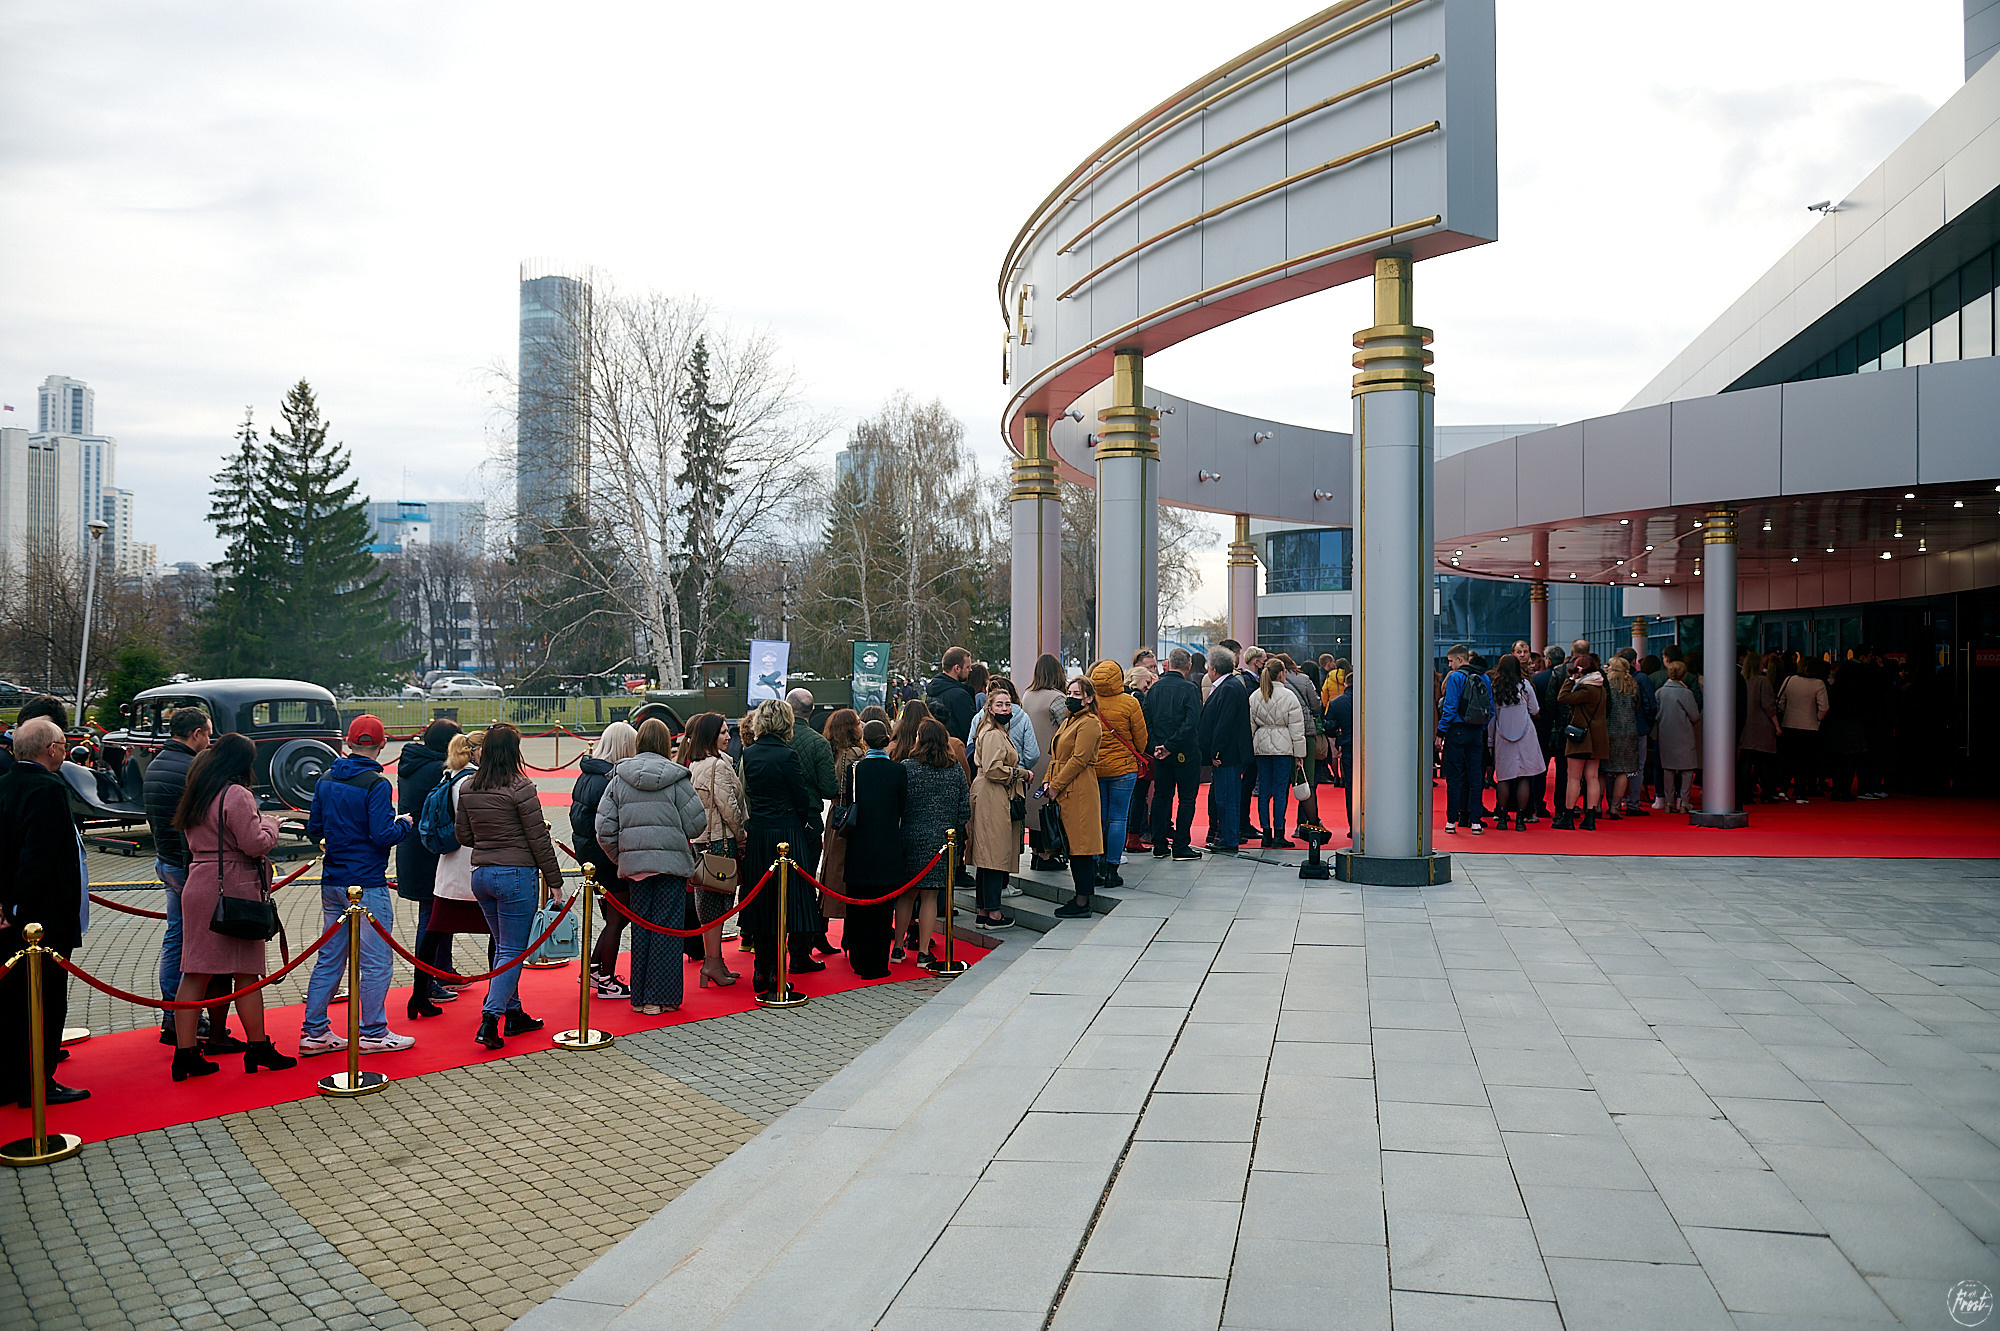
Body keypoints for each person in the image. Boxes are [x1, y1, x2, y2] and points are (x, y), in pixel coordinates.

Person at [167, 734, 298, 1080]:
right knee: (246, 972)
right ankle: (258, 1046)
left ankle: (185, 1053)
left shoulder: (199, 790)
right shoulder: (236, 793)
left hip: (199, 880)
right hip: (233, 885)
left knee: (194, 971)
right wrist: (271, 825)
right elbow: (254, 843)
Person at [300, 715, 414, 1058]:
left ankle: (315, 1031)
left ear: (348, 743)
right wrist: (404, 825)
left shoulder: (326, 778)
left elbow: (314, 829)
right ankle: (373, 1032)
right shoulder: (376, 784)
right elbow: (382, 834)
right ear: (382, 745)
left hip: (333, 879)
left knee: (330, 958)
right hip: (367, 881)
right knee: (376, 961)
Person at [453, 722, 561, 1049]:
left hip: (481, 874)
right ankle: (491, 1018)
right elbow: (539, 839)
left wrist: (489, 841)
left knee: (504, 948)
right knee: (512, 951)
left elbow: (463, 835)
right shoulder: (521, 787)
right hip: (515, 874)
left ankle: (514, 1013)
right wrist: (555, 882)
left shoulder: (469, 786)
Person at [0, 717, 90, 1107]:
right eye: (62, 744)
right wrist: (19, 905)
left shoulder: (5, 783)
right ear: (51, 749)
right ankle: (39, 1081)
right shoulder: (48, 789)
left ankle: (11, 1078)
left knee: (12, 1001)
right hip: (41, 916)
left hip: (11, 911)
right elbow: (38, 854)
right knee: (46, 999)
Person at [596, 718, 707, 1014]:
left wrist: (623, 857)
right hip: (671, 866)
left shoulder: (619, 778)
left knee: (641, 930)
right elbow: (697, 824)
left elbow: (604, 829)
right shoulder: (678, 778)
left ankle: (640, 998)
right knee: (667, 931)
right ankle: (662, 997)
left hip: (636, 868)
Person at [142, 706, 226, 1047]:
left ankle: (172, 1014)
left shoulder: (157, 763)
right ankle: (186, 1017)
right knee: (195, 946)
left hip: (166, 860)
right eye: (208, 734)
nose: (209, 741)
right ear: (196, 734)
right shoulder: (190, 768)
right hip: (187, 865)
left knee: (176, 938)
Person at [739, 700, 823, 996]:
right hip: (786, 831)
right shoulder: (788, 755)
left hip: (760, 832)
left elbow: (747, 793)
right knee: (785, 903)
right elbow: (801, 798)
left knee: (762, 903)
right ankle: (776, 972)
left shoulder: (748, 753)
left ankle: (761, 970)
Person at [398, 717, 463, 1018]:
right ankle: (428, 981)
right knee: (432, 916)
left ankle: (442, 970)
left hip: (414, 848)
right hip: (432, 849)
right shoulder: (439, 770)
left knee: (438, 912)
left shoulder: (412, 763)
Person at [572, 721, 637, 1001]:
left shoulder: (587, 775)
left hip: (590, 856)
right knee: (617, 919)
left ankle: (594, 968)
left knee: (615, 918)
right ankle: (606, 979)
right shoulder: (609, 779)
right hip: (607, 857)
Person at [679, 713, 744, 990]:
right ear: (710, 736)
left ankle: (715, 962)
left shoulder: (697, 764)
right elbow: (730, 808)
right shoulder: (717, 765)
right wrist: (742, 837)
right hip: (719, 842)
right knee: (715, 907)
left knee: (710, 907)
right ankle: (712, 964)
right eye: (723, 732)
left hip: (704, 842)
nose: (729, 736)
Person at [898, 718, 970, 965]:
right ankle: (923, 951)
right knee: (930, 897)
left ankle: (897, 948)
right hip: (942, 839)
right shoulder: (954, 769)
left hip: (911, 835)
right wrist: (954, 829)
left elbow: (899, 803)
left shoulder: (907, 767)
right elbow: (964, 808)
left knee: (907, 894)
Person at [842, 719, 908, 978]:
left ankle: (858, 959)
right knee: (882, 911)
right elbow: (902, 807)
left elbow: (848, 802)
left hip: (858, 845)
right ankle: (878, 963)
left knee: (858, 906)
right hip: (887, 845)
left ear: (864, 741)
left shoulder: (855, 770)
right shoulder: (898, 771)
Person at [1045, 679, 1105, 917]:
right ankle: (1080, 897)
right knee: (1073, 845)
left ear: (1089, 698)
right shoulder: (1070, 719)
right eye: (1069, 692)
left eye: (1077, 693)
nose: (1070, 697)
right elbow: (1056, 755)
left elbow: (1079, 759)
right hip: (1065, 788)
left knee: (1081, 846)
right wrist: (1047, 781)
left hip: (1079, 790)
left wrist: (1055, 785)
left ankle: (1082, 901)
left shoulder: (1089, 722)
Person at [785, 688, 838, 955]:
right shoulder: (818, 743)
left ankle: (774, 947)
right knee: (805, 884)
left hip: (777, 820)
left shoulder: (774, 741)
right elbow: (830, 788)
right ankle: (800, 948)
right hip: (808, 820)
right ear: (812, 711)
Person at [968, 692, 1027, 931]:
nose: (1004, 709)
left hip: (992, 794)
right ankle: (993, 913)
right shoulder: (993, 734)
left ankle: (984, 911)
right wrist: (1021, 773)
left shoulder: (996, 731)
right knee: (993, 854)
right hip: (992, 796)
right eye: (999, 704)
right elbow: (993, 769)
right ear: (990, 708)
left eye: (1007, 704)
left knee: (987, 855)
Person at [1087, 659, 1147, 888]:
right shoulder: (1130, 703)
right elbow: (1141, 740)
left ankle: (1095, 865)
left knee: (1098, 817)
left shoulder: (1090, 702)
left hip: (1095, 768)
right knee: (1119, 818)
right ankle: (1112, 869)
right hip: (1123, 768)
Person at [1144, 648, 1203, 860]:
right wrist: (1170, 745)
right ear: (1189, 666)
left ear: (1168, 663)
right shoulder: (1190, 689)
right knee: (1186, 799)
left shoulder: (1154, 688)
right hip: (1185, 751)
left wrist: (1156, 746)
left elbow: (1146, 720)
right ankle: (1180, 845)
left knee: (1161, 796)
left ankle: (1159, 843)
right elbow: (1191, 722)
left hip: (1160, 752)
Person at [1196, 647, 1253, 855]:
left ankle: (1229, 839)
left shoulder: (1228, 688)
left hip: (1227, 755)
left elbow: (1224, 724)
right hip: (1230, 753)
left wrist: (1217, 753)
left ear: (1214, 669)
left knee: (1226, 797)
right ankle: (1228, 837)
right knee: (1227, 796)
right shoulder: (1230, 685)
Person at [816, 708, 865, 940]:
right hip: (851, 816)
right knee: (845, 872)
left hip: (836, 815)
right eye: (857, 722)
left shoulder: (832, 751)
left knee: (831, 870)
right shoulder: (854, 754)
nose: (861, 725)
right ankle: (847, 932)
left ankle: (820, 927)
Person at [1248, 659, 1306, 847]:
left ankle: (1266, 833)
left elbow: (1251, 725)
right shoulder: (1289, 696)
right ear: (1281, 673)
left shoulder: (1255, 696)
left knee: (1264, 791)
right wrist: (1299, 754)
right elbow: (1297, 729)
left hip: (1261, 745)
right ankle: (1279, 833)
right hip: (1283, 747)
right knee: (1280, 791)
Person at [1484, 654, 1542, 830]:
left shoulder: (1495, 688)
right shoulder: (1525, 686)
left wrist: (1490, 741)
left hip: (1503, 736)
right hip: (1525, 735)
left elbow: (1492, 717)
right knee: (1524, 777)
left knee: (1504, 778)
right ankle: (1520, 819)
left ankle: (1502, 818)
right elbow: (1535, 710)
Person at [1437, 644, 1490, 834]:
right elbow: (1490, 708)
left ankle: (1452, 820)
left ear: (1460, 659)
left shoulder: (1455, 677)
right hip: (1476, 732)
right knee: (1476, 777)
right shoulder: (1484, 677)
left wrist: (1441, 732)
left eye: (1451, 661)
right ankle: (1476, 821)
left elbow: (1450, 707)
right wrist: (1481, 727)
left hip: (1457, 731)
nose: (1450, 665)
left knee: (1455, 777)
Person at [1022, 654, 1067, 871]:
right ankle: (1047, 856)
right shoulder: (1058, 698)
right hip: (1050, 761)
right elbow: (1068, 727)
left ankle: (1035, 853)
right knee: (1049, 808)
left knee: (1034, 809)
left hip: (1031, 760)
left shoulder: (1027, 695)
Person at [1556, 654, 1609, 829]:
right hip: (1598, 737)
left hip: (1581, 737)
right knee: (1592, 777)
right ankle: (1590, 817)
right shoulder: (1600, 687)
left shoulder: (1585, 689)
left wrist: (1571, 679)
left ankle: (1568, 816)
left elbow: (1562, 697)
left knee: (1574, 778)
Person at [1278, 654, 1325, 829]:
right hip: (1305, 733)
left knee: (1280, 785)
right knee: (1305, 782)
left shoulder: (1270, 683)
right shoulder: (1304, 679)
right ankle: (1312, 825)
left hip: (1281, 735)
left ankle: (1277, 829)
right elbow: (1316, 705)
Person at [1777, 660, 1830, 802]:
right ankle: (1800, 793)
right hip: (1809, 726)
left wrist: (1787, 713)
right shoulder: (1818, 683)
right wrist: (1817, 718)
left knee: (1789, 758)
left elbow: (1780, 701)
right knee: (1805, 761)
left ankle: (1783, 789)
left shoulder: (1789, 680)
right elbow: (1824, 707)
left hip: (1789, 724)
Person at [1601, 656, 1645, 819]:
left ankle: (1596, 806)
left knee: (1602, 771)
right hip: (1629, 731)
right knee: (1623, 771)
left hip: (1608, 730)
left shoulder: (1606, 683)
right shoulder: (1632, 684)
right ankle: (1615, 808)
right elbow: (1637, 706)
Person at [1655, 661, 1702, 812]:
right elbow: (1695, 716)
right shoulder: (1686, 693)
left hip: (1665, 734)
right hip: (1684, 734)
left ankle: (1669, 802)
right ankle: (1684, 802)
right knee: (1687, 770)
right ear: (1684, 675)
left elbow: (1656, 714)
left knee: (1668, 769)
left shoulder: (1660, 692)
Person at [1324, 671, 1355, 836]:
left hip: (1349, 746)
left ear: (1345, 684)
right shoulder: (1373, 701)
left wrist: (1338, 737)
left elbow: (1329, 727)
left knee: (1351, 787)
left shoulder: (1337, 703)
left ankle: (1354, 826)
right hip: (1372, 748)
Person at [925, 647, 978, 740]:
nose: (970, 670)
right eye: (967, 667)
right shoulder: (960, 696)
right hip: (957, 746)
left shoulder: (932, 691)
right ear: (957, 668)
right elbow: (971, 730)